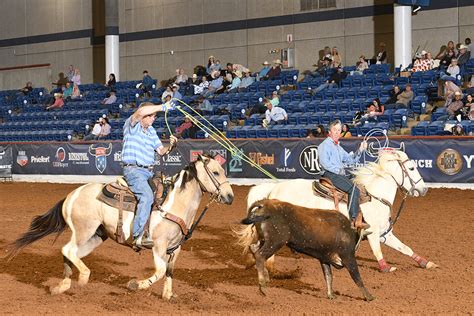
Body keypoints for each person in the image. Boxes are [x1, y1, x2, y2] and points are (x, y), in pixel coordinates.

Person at [122, 102, 178, 249]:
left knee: (164, 194)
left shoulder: (151, 131)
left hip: (148, 172)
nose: (153, 118)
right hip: (134, 170)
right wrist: (163, 106)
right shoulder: (132, 125)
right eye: (150, 116)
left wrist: (171, 146)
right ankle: (137, 236)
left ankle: (157, 230)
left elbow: (160, 150)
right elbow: (140, 111)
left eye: (154, 116)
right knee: (146, 196)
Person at [318, 119, 369, 230]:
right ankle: (353, 220)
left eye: (339, 130)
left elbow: (351, 160)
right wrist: (340, 171)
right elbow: (325, 164)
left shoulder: (338, 147)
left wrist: (360, 150)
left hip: (337, 174)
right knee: (354, 189)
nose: (337, 132)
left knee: (360, 183)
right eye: (334, 130)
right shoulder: (324, 145)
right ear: (329, 131)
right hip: (330, 174)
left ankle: (361, 215)